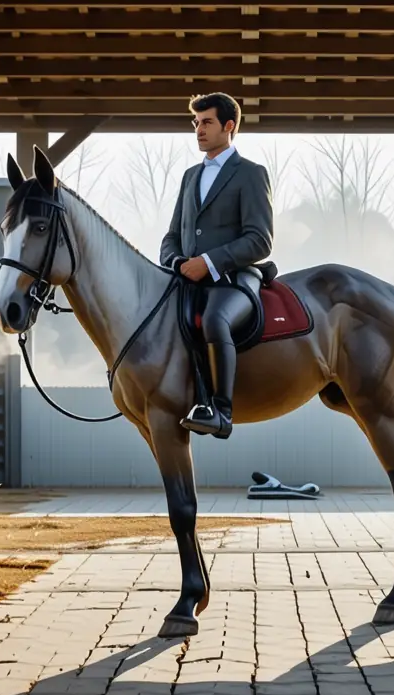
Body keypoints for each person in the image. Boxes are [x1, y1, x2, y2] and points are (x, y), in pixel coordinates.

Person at [159, 92, 274, 439]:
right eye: (196, 123)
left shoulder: (252, 174)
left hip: (236, 278)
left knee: (214, 319)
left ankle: (221, 411)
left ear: (229, 126)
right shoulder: (190, 176)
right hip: (188, 279)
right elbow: (171, 236)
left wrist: (208, 263)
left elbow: (260, 240)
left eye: (206, 122)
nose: (198, 130)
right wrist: (177, 262)